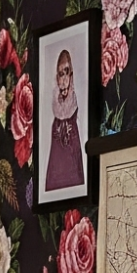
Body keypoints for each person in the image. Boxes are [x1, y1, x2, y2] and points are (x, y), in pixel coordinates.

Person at [43, 44, 85, 195]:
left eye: (66, 72)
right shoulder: (55, 114)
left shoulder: (75, 105)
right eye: (60, 73)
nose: (63, 78)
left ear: (71, 74)